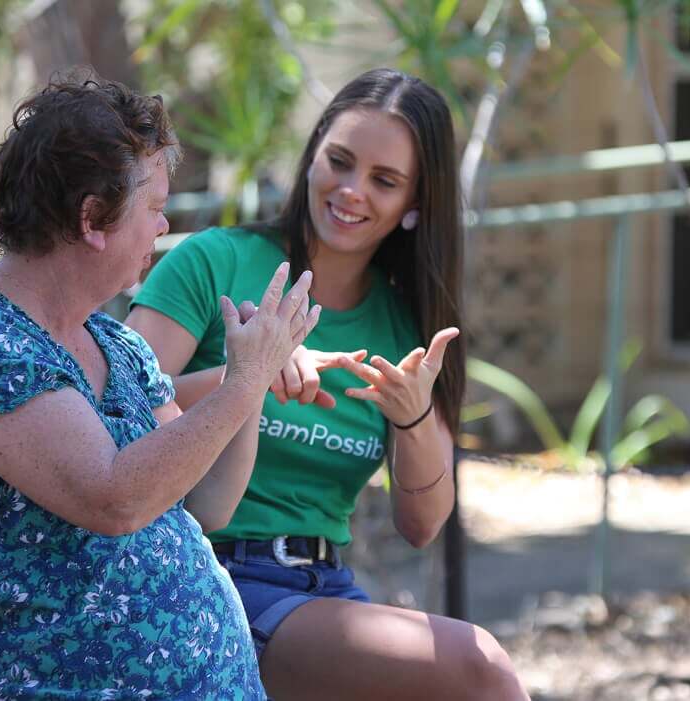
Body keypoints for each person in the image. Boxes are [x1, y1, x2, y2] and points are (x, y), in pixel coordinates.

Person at [0, 74, 320, 699]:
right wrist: (243, 382)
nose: (162, 224)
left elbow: (207, 501)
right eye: (153, 207)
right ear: (93, 217)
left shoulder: (114, 344)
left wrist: (247, 380)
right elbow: (114, 498)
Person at [126, 68, 528, 700]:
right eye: (338, 162)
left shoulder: (406, 324)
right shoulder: (213, 261)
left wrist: (414, 416)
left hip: (324, 589)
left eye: (384, 181)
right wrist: (246, 375)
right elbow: (114, 413)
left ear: (415, 204)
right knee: (479, 669)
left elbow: (423, 525)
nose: (351, 190)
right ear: (312, 153)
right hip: (204, 578)